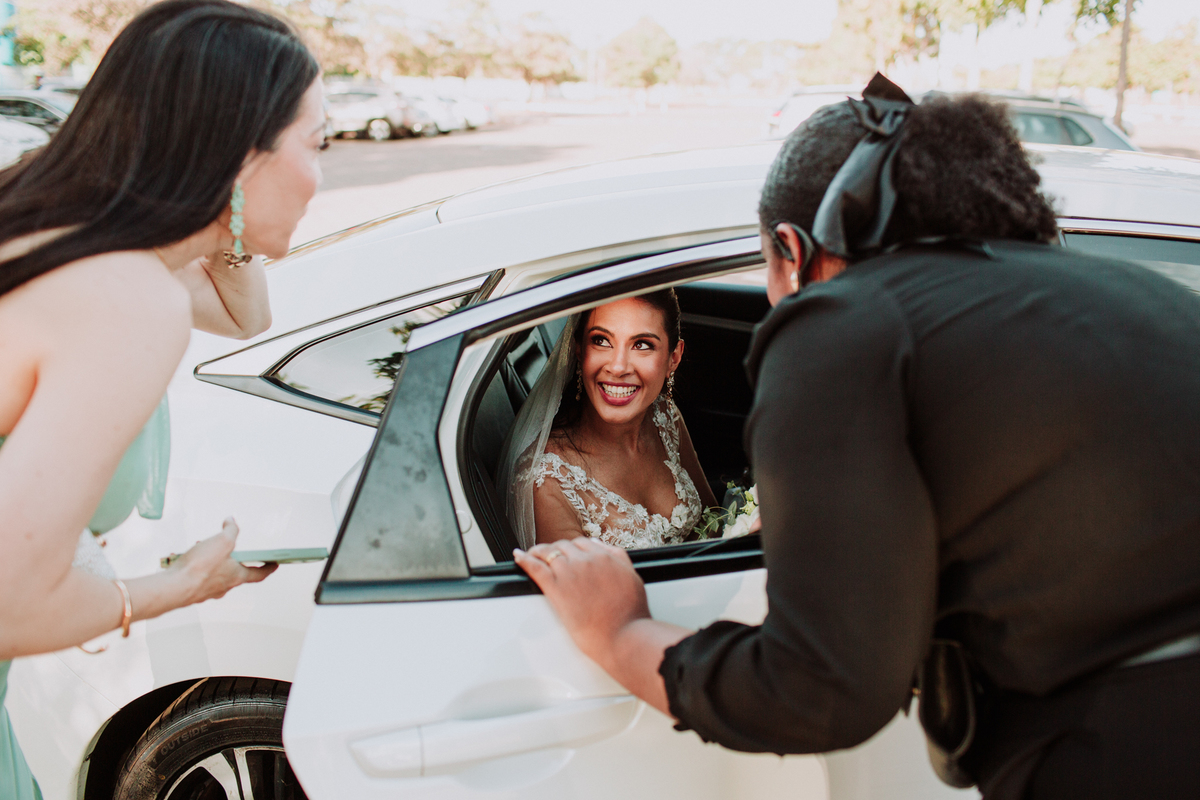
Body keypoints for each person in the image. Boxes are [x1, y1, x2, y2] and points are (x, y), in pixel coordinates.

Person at [515, 74, 1200, 800]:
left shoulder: (842, 329)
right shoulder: (1145, 295)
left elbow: (821, 689)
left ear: (791, 248)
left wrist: (620, 636)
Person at [0, 2, 324, 796]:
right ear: (242, 159)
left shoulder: (72, 228)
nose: (324, 175)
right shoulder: (128, 293)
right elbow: (11, 603)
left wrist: (226, 215)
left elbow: (249, 314)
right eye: (319, 143)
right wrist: (187, 586)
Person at [499, 291, 717, 551]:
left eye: (642, 345)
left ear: (674, 358)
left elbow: (713, 520)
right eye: (601, 340)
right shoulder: (547, 481)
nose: (618, 367)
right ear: (578, 349)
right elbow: (584, 591)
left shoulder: (665, 415)